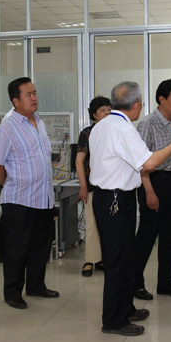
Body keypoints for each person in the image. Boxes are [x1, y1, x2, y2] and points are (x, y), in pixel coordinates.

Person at [89, 81, 171, 336]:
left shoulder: (102, 125)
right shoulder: (124, 129)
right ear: (136, 105)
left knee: (125, 257)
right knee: (116, 261)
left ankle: (126, 308)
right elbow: (149, 163)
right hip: (114, 200)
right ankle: (113, 320)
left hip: (108, 198)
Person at [0, 77, 60, 310]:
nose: (34, 97)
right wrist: (11, 184)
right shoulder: (7, 128)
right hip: (19, 200)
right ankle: (12, 292)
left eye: (35, 93)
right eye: (28, 94)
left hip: (43, 198)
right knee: (16, 250)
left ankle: (36, 286)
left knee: (41, 246)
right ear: (16, 101)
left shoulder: (39, 123)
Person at [134, 79, 171, 300]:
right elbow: (141, 162)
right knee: (146, 236)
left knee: (169, 236)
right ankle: (135, 284)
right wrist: (149, 191)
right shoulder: (147, 124)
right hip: (153, 183)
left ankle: (166, 283)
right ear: (162, 99)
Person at [76, 96, 112, 277]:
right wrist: (83, 186)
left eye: (109, 110)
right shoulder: (87, 133)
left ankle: (103, 258)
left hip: (111, 185)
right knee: (91, 224)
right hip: (92, 186)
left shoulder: (114, 130)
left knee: (108, 225)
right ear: (94, 114)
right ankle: (89, 260)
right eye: (102, 110)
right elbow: (79, 161)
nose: (107, 113)